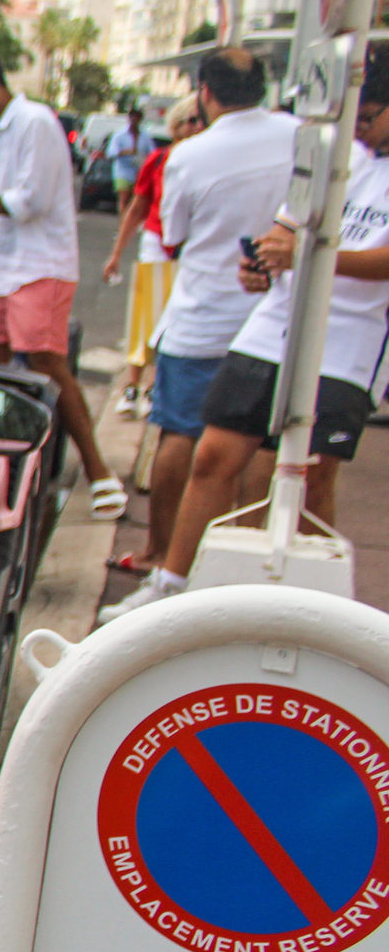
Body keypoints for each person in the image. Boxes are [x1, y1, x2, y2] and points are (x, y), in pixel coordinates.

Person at [102, 49, 389, 621]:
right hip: (271, 325)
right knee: (214, 454)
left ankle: (312, 607)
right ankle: (171, 585)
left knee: (308, 473)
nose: (358, 126)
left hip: (350, 343)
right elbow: (286, 226)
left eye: (370, 115)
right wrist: (261, 262)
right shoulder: (339, 158)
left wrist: (309, 254)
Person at [0, 45, 126, 518]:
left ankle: (99, 474)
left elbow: (28, 202)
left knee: (47, 363)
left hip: (40, 266)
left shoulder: (35, 123)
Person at [118, 51, 299, 574]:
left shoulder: (190, 155)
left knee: (180, 433)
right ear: (262, 87)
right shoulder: (298, 136)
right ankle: (239, 559)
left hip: (203, 314)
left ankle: (161, 553)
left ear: (205, 91)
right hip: (276, 317)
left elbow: (172, 236)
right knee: (261, 445)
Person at [103, 95, 200, 420]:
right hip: (158, 241)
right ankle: (132, 385)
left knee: (175, 318)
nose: (195, 127)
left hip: (193, 246)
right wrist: (116, 254)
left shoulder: (208, 161)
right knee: (146, 313)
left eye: (201, 121)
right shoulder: (158, 160)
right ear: (176, 125)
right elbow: (138, 209)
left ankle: (155, 387)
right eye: (190, 120)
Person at [106, 108, 147, 215]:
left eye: (137, 118)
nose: (135, 120)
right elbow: (111, 152)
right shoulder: (119, 135)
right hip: (122, 171)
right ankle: (122, 224)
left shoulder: (145, 136)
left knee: (133, 201)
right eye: (133, 117)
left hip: (138, 172)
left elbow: (152, 151)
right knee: (124, 198)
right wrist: (124, 152)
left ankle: (128, 222)